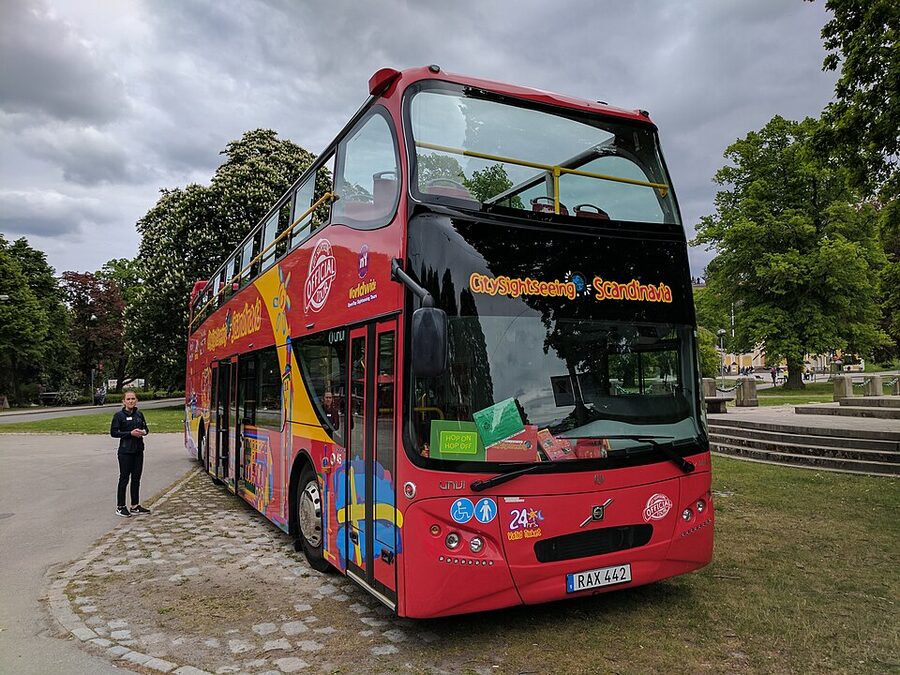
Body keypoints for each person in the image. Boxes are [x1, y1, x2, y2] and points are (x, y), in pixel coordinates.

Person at [110, 391, 150, 517]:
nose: (131, 401)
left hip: (138, 450)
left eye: (133, 398)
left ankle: (135, 505)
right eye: (128, 399)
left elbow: (146, 429)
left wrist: (143, 432)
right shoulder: (119, 416)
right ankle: (120, 506)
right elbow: (114, 433)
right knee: (124, 478)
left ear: (136, 400)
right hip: (125, 451)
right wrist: (129, 433)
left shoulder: (139, 414)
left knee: (136, 478)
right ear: (124, 401)